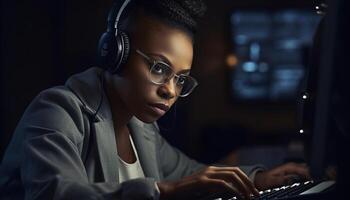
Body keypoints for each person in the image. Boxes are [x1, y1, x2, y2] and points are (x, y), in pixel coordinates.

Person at [0, 0, 310, 199]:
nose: (171, 91)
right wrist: (165, 192)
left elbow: (190, 173)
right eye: (159, 68)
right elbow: (56, 193)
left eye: (180, 78)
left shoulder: (141, 128)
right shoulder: (56, 110)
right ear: (115, 53)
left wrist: (258, 178)